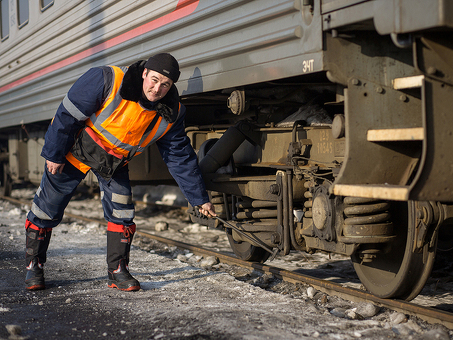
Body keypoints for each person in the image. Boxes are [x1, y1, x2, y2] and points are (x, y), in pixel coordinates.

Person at [24, 53, 216, 292]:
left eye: (165, 85)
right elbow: (67, 114)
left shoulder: (171, 113)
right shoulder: (106, 79)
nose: (157, 89)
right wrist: (54, 153)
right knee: (47, 208)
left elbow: (180, 157)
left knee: (123, 211)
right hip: (75, 151)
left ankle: (117, 271)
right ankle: (34, 265)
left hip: (113, 164)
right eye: (154, 80)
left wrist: (200, 199)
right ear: (144, 72)